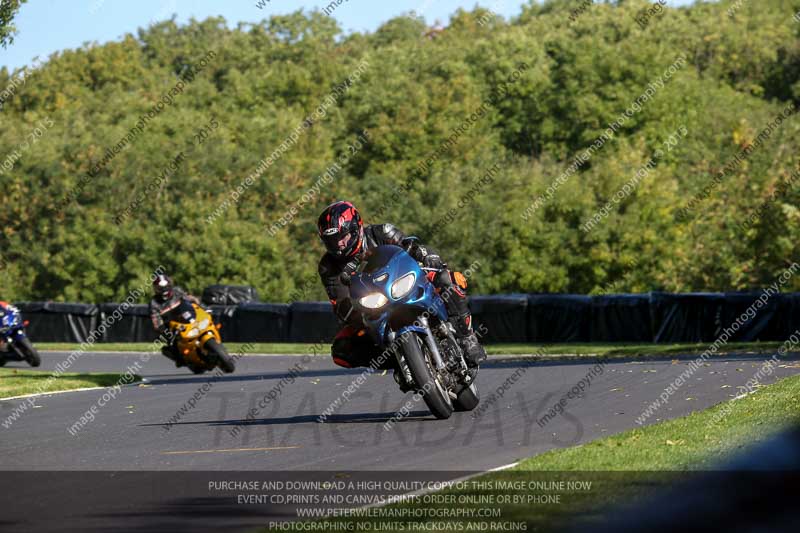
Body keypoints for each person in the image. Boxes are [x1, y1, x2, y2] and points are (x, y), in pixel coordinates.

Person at [316, 200, 486, 380]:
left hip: (403, 283)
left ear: (356, 228)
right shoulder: (328, 266)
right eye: (332, 241)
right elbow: (340, 302)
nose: (339, 245)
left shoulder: (381, 232)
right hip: (373, 305)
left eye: (343, 237)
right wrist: (356, 310)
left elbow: (411, 248)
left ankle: (467, 338)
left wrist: (428, 257)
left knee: (448, 278)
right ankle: (402, 361)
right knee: (342, 349)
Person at [149, 273, 201, 367]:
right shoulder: (154, 302)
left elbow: (187, 297)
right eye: (160, 288)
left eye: (166, 287)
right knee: (171, 341)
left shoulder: (177, 291)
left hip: (185, 315)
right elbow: (155, 318)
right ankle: (180, 358)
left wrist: (195, 300)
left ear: (170, 285)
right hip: (171, 325)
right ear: (155, 289)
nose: (164, 290)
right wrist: (161, 328)